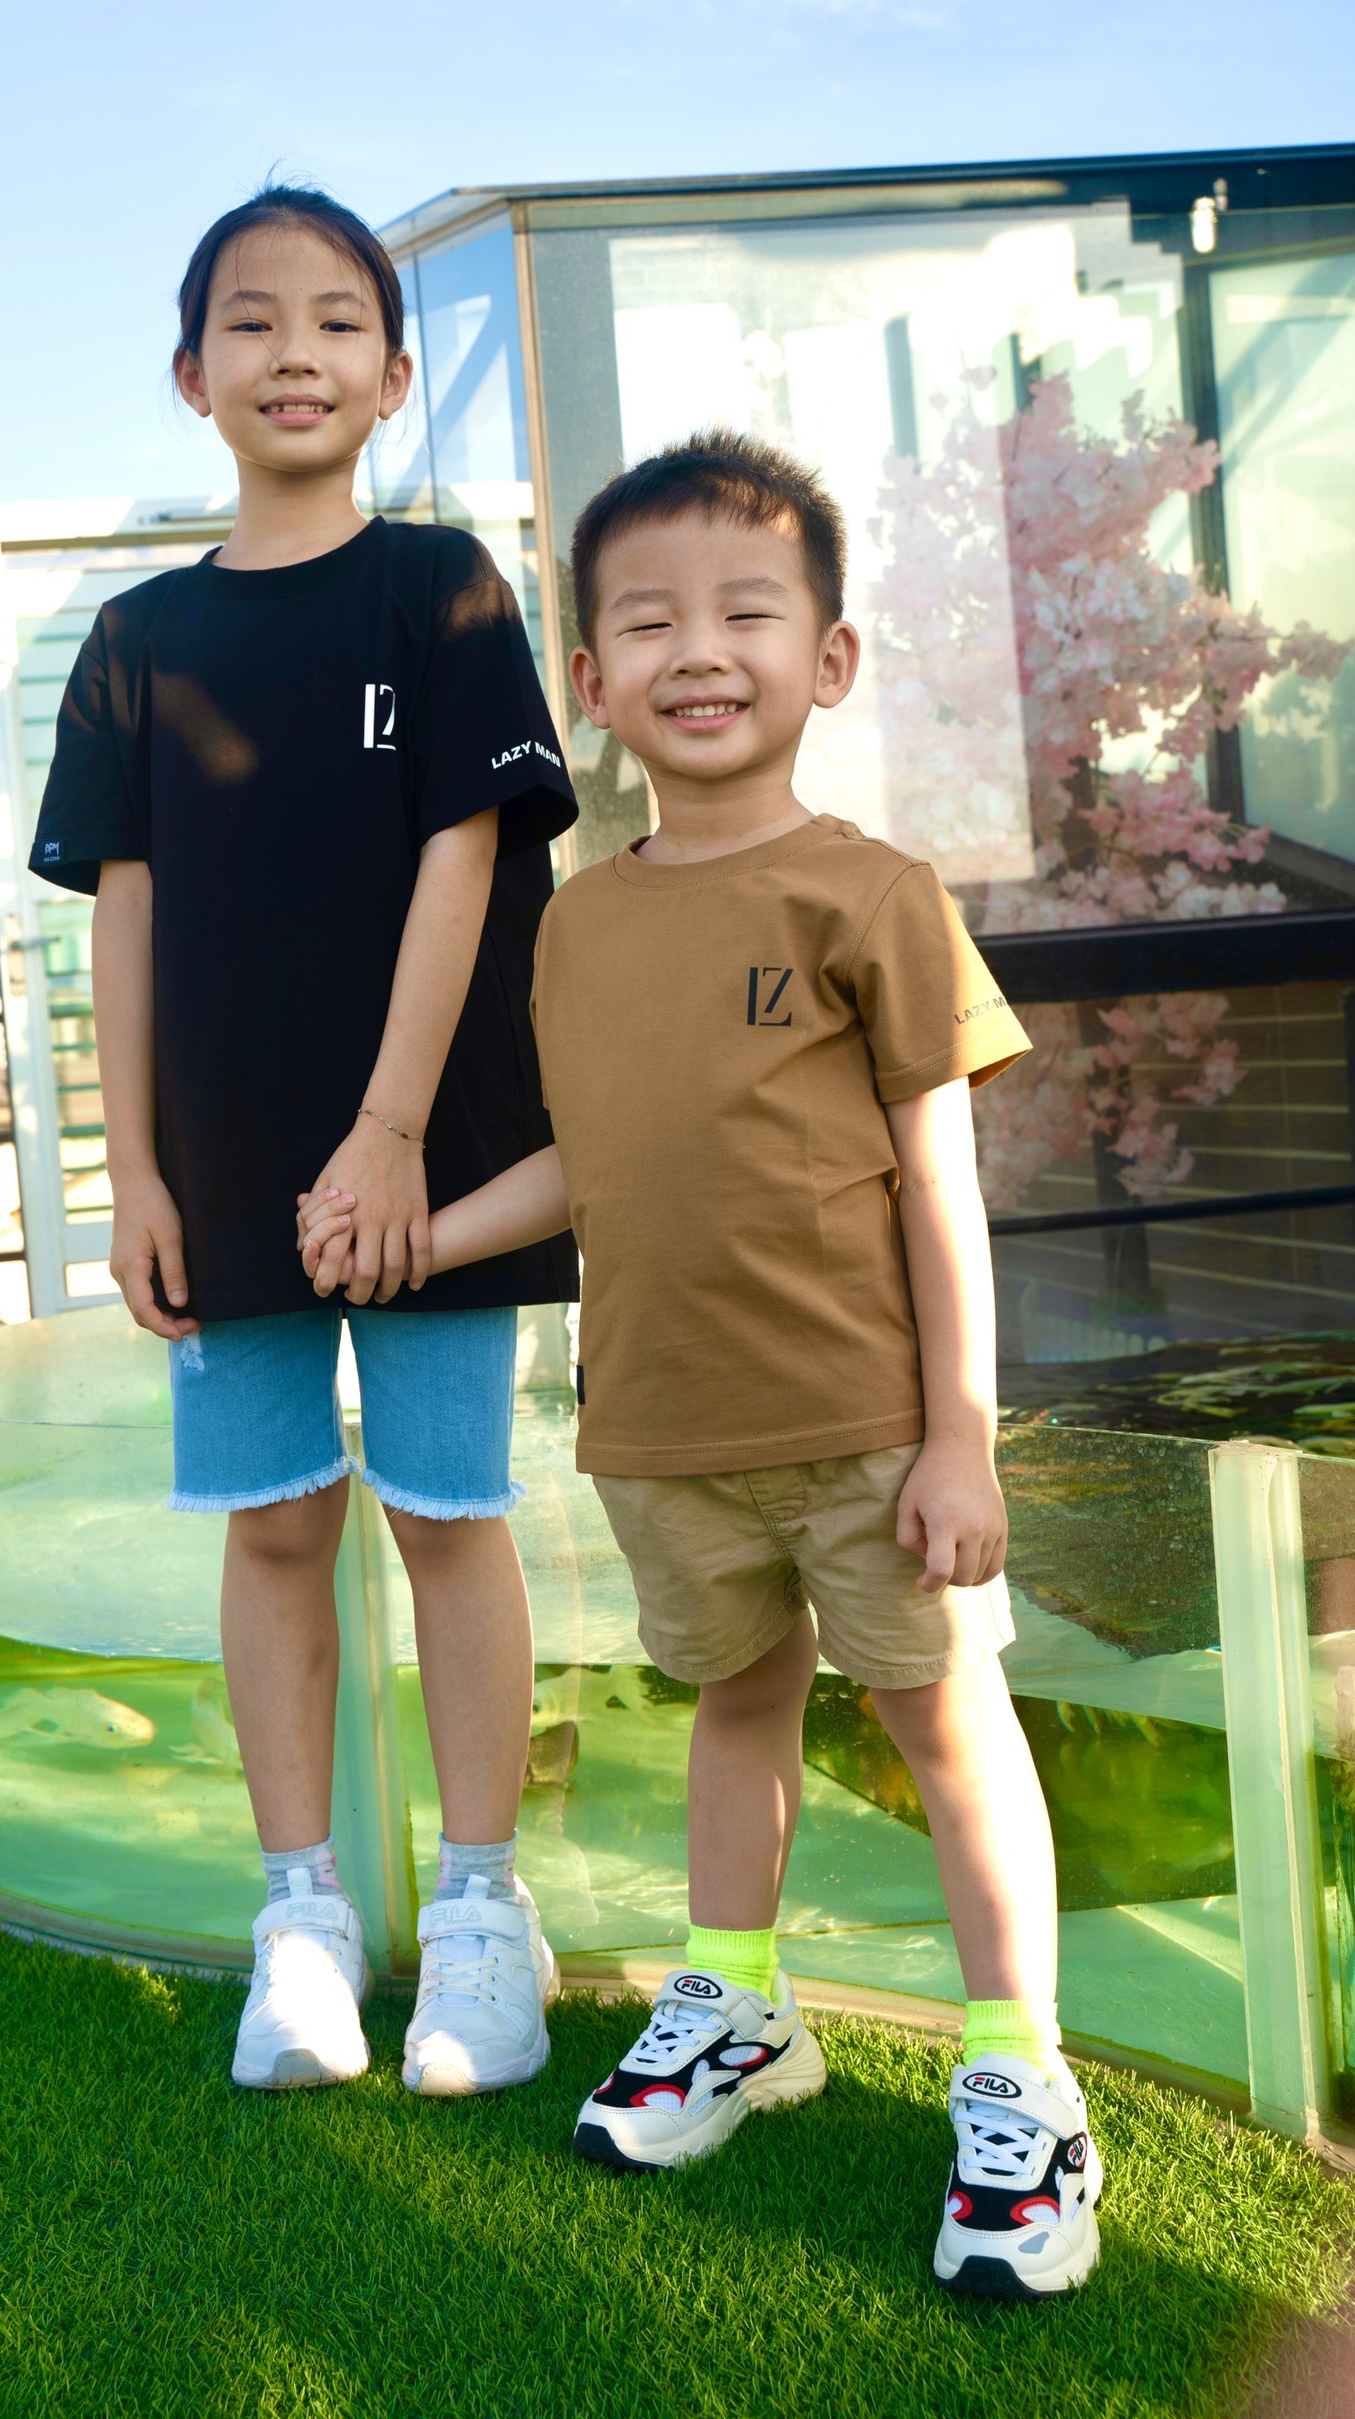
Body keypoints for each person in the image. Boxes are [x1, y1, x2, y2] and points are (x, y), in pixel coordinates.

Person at [303, 429, 1102, 2299]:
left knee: (947, 1726)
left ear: (830, 657)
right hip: (663, 1434)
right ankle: (740, 2006)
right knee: (735, 1711)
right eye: (649, 622)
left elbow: (942, 1186)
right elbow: (595, 1162)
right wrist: (428, 1231)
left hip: (871, 1432)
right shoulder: (578, 921)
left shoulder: (877, 895)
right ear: (592, 682)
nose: (701, 650)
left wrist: (961, 1437)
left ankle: (1023, 2075)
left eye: (748, 610)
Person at [29, 184, 577, 2099]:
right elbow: (123, 915)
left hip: (436, 1151)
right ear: (192, 375)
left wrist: (394, 1132)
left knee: (447, 1515)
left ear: (395, 376)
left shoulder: (443, 592)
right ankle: (304, 1918)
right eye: (252, 323)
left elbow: (466, 859)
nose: (295, 354)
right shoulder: (136, 640)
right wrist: (137, 1174)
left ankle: (487, 1914)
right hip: (229, 1161)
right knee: (274, 1526)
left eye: (339, 321)